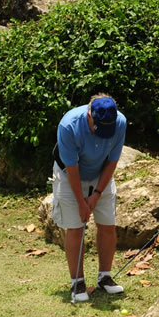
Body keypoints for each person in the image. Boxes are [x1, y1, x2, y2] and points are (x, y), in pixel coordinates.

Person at [52, 94, 127, 302]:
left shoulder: (119, 122)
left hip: (101, 174)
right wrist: (81, 201)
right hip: (69, 176)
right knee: (76, 226)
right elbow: (72, 167)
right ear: (89, 115)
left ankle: (105, 277)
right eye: (99, 126)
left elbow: (112, 161)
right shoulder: (69, 125)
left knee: (107, 224)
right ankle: (78, 281)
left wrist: (96, 195)